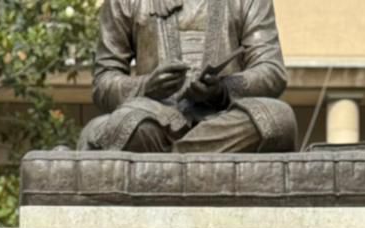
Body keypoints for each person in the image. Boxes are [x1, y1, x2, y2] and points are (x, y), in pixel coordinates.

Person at [79, 0, 297, 154]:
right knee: (126, 125)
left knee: (280, 119)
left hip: (222, 120)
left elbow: (272, 70)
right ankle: (193, 157)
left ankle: (170, 159)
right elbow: (104, 82)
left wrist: (223, 89)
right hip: (154, 120)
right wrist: (146, 86)